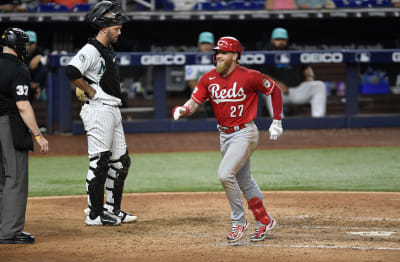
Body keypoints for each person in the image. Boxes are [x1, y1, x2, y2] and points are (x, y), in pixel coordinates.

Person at [172, 36, 283, 243]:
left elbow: (274, 90)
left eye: (223, 52)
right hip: (224, 135)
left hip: (245, 132)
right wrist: (183, 109)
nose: (218, 56)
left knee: (225, 174)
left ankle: (238, 221)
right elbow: (194, 102)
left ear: (235, 56)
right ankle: (264, 219)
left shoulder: (250, 76)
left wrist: (276, 121)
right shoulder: (209, 78)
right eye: (217, 52)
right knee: (244, 179)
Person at [65, 0, 137, 226]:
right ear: (104, 27)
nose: (119, 31)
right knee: (100, 162)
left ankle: (111, 209)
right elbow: (71, 70)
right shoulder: (91, 48)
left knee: (121, 162)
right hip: (98, 110)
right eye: (116, 28)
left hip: (112, 109)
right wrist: (88, 90)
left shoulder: (106, 48)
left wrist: (88, 87)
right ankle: (95, 214)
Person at [0, 27, 49, 244]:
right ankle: (9, 232)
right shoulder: (19, 68)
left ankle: (3, 226)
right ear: (18, 45)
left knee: (1, 179)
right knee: (15, 178)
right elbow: (22, 105)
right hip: (9, 125)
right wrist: (38, 135)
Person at [262, 27, 327, 118]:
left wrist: (309, 77)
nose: (280, 42)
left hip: (297, 90)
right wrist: (278, 84)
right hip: (279, 93)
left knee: (319, 86)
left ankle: (318, 119)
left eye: (283, 39)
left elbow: (306, 68)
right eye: (277, 39)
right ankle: (278, 122)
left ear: (287, 40)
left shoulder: (294, 52)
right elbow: (262, 75)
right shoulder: (266, 53)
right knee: (270, 90)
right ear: (272, 40)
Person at [185, 31, 215, 117]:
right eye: (203, 43)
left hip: (217, 93)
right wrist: (203, 96)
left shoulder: (220, 58)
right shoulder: (192, 59)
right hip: (198, 95)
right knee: (191, 114)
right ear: (199, 44)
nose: (205, 46)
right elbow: (191, 81)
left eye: (208, 43)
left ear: (212, 44)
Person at [25, 30, 47, 101]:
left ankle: (41, 90)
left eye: (32, 43)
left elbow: (48, 58)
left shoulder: (38, 51)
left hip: (35, 85)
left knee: (44, 65)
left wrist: (40, 57)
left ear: (36, 43)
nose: (30, 45)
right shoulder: (19, 52)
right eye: (28, 43)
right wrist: (34, 86)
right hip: (22, 86)